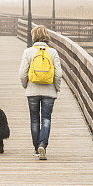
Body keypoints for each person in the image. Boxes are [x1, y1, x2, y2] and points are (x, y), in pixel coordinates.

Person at [18, 25, 62, 160]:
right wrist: (56, 88)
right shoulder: (53, 52)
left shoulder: (28, 52)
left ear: (34, 36)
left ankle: (36, 149)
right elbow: (59, 74)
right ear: (46, 36)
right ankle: (43, 144)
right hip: (49, 91)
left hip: (33, 91)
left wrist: (26, 85)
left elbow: (22, 73)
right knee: (46, 119)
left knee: (34, 120)